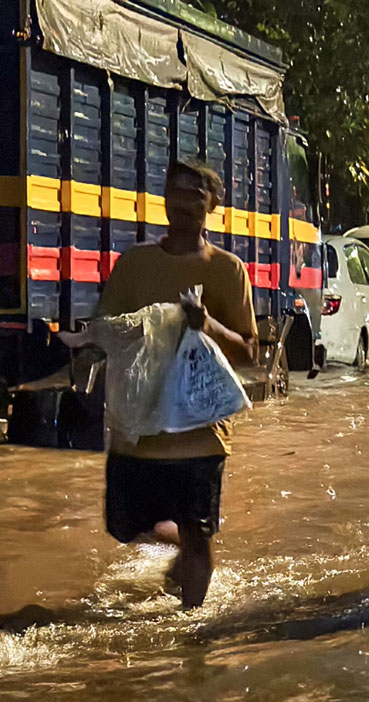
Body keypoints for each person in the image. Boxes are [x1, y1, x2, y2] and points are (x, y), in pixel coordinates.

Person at [96, 159, 257, 609]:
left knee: (198, 533)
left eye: (195, 194)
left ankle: (192, 634)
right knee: (123, 525)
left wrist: (208, 326)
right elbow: (105, 329)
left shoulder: (227, 270)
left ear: (212, 206)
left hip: (200, 437)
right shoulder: (134, 265)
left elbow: (250, 352)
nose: (184, 203)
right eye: (177, 192)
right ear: (163, 200)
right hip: (138, 433)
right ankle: (185, 549)